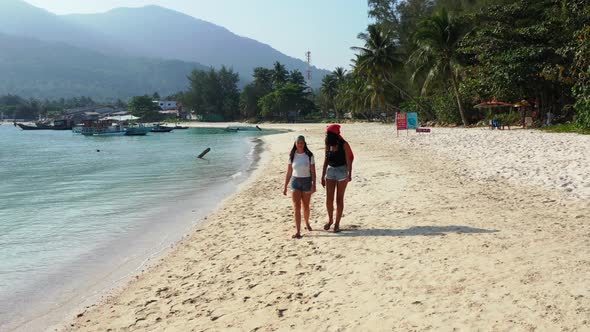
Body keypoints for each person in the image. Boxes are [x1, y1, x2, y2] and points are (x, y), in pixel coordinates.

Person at [321, 124, 353, 233]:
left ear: (333, 134)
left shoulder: (344, 144)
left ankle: (337, 224)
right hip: (330, 171)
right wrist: (322, 175)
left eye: (328, 133)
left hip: (342, 171)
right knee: (329, 199)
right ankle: (330, 220)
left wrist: (349, 174)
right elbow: (325, 159)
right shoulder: (328, 144)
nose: (326, 135)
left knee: (339, 199)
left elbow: (349, 160)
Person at [283, 135, 316, 239]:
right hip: (295, 182)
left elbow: (313, 172)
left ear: (304, 143)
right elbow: (289, 172)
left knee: (306, 206)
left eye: (301, 143)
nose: (300, 144)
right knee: (296, 207)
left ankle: (306, 222)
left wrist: (314, 184)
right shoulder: (292, 155)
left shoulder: (309, 155)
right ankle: (297, 231)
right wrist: (285, 186)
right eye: (298, 143)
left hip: (306, 181)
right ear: (295, 144)